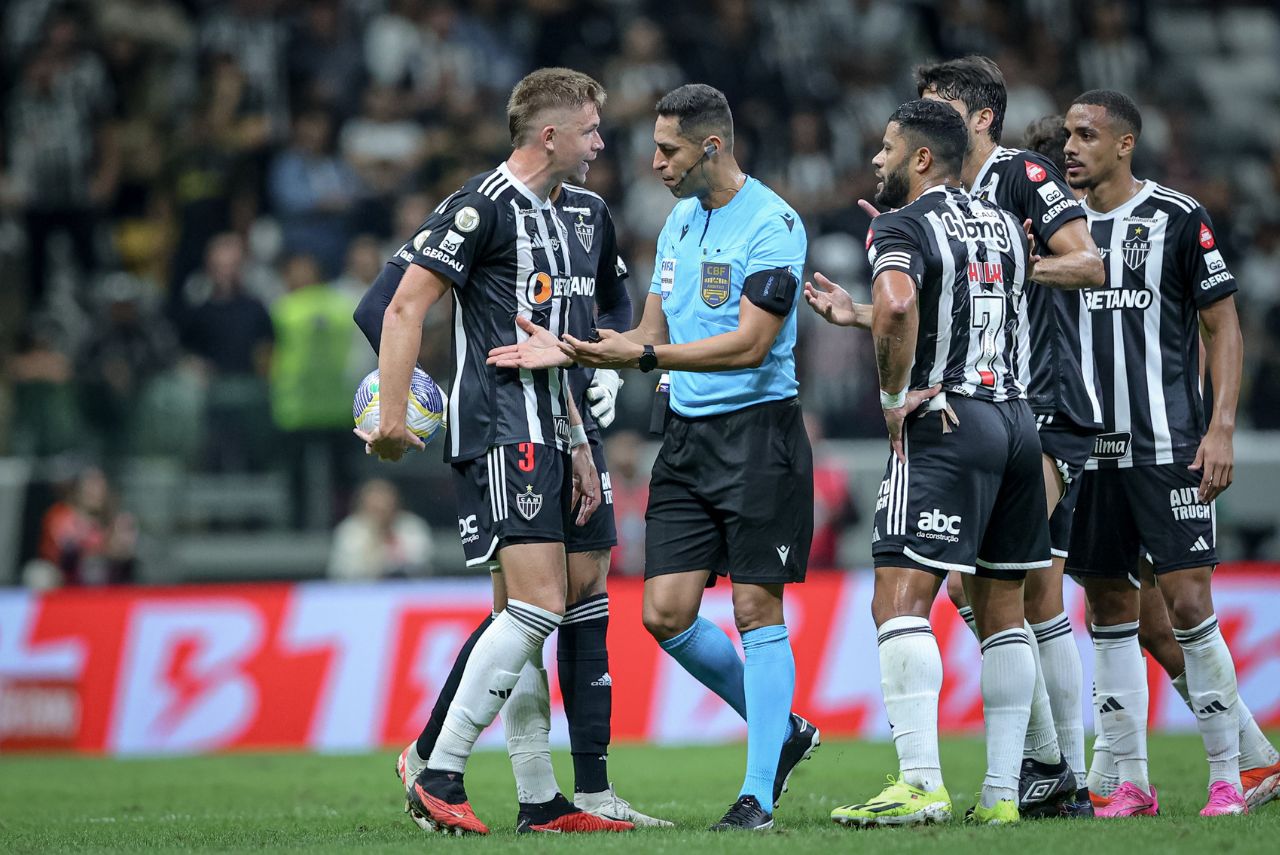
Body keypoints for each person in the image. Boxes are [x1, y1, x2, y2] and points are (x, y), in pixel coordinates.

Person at [492, 83, 821, 832]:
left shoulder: (773, 224)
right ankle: (783, 729)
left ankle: (758, 795)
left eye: (669, 150)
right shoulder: (678, 221)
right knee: (665, 613)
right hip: (687, 437)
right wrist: (583, 350)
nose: (656, 163)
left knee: (754, 607)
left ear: (712, 146)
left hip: (760, 437)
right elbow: (649, 330)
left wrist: (642, 356)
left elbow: (751, 345)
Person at [355, 76, 667, 827]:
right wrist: (395, 413)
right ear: (550, 136)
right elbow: (395, 306)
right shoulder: (481, 206)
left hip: (560, 427)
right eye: (590, 131)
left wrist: (585, 421)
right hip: (502, 427)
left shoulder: (577, 213)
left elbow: (565, 334)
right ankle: (436, 765)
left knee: (539, 607)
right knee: (536, 604)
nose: (601, 144)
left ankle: (539, 797)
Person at [1024, 113, 1280, 813]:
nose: (1071, 148)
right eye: (1066, 137)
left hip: (1169, 445)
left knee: (1189, 607)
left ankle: (1229, 776)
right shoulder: (1059, 231)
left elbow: (1221, 323)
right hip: (1087, 451)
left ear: (1125, 142)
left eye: (1086, 135)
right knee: (1111, 611)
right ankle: (1130, 780)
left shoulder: (1176, 216)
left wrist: (1220, 428)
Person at [805, 99, 1047, 826]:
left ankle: (920, 785)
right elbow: (960, 307)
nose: (875, 160)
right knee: (1003, 611)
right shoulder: (1003, 221)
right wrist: (858, 313)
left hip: (946, 422)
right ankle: (1002, 795)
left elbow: (901, 304)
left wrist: (891, 396)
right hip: (1016, 425)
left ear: (919, 158)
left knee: (898, 600)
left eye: (886, 148)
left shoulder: (900, 224)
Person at [915, 56, 1106, 818]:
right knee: (1018, 590)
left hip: (1047, 404)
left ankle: (1057, 765)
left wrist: (1020, 262)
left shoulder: (1022, 175)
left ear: (981, 117)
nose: (925, 122)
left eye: (939, 109)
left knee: (1002, 586)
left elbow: (1088, 262)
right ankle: (1061, 770)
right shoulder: (947, 198)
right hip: (999, 409)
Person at [327, 478, 433, 580]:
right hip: (364, 589)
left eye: (386, 504)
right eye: (376, 507)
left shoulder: (412, 526)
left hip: (407, 588)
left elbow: (422, 565)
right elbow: (345, 571)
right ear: (363, 505)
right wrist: (375, 537)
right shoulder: (350, 531)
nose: (382, 509)